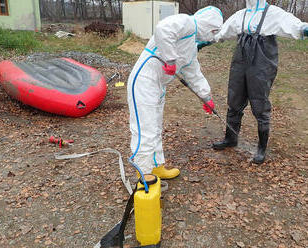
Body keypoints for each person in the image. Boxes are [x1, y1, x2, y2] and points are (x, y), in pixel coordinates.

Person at [127, 6, 223, 179]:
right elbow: (163, 29)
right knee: (145, 128)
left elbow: (194, 74)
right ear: (209, 25)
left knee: (155, 127)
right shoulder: (187, 23)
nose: (211, 37)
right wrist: (170, 58)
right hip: (143, 80)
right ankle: (143, 172)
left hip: (157, 86)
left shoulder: (191, 47)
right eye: (213, 31)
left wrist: (206, 97)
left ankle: (156, 166)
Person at [212, 0, 308, 164]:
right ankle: (230, 138)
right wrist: (211, 39)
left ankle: (261, 149)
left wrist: (303, 29)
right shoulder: (241, 14)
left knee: (259, 102)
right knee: (234, 98)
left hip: (262, 60)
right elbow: (225, 31)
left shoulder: (273, 13)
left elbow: (292, 24)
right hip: (240, 57)